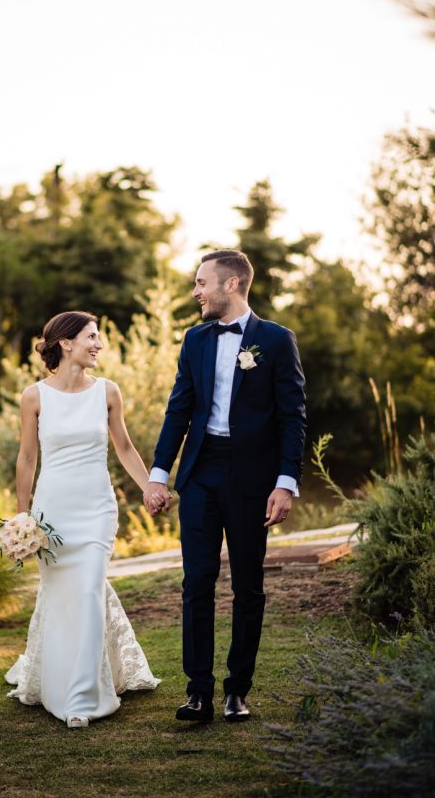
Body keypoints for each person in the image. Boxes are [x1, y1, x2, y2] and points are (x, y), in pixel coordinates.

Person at [146, 250, 306, 723]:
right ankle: (198, 692)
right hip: (200, 472)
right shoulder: (194, 339)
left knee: (248, 586)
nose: (196, 291)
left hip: (252, 477)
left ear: (231, 284)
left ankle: (238, 690)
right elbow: (179, 409)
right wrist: (159, 474)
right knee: (196, 581)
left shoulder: (276, 340)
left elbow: (293, 416)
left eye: (202, 283)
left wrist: (285, 483)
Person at [5, 310, 159, 727]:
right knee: (62, 598)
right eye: (92, 337)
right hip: (52, 514)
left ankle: (82, 699)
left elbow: (124, 447)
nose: (99, 345)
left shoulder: (108, 391)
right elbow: (27, 457)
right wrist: (23, 515)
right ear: (66, 343)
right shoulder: (34, 396)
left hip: (96, 509)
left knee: (89, 590)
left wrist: (150, 487)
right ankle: (59, 685)